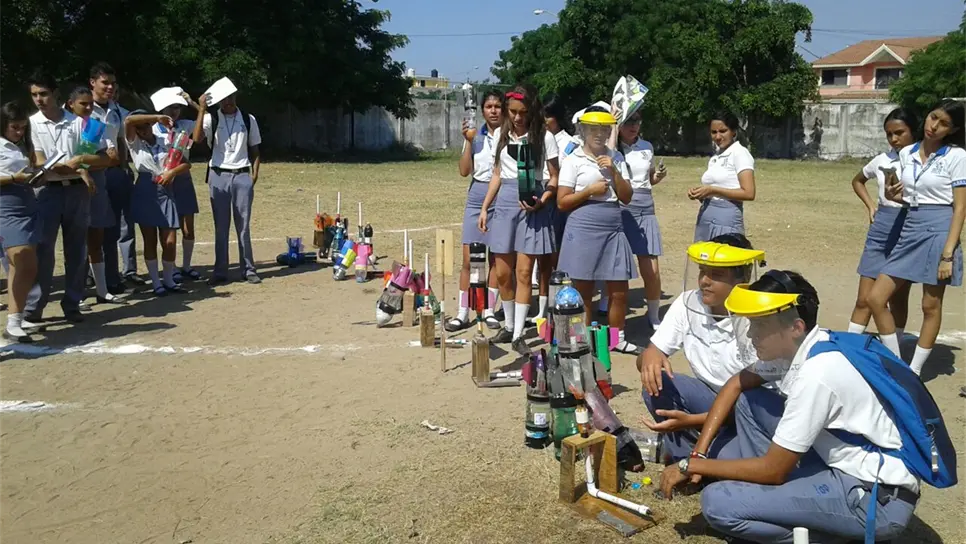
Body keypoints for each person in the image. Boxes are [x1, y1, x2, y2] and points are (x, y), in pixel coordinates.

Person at [660, 271, 920, 543]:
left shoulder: (817, 374)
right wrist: (700, 455)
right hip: (851, 471)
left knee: (717, 502)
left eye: (759, 326)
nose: (750, 335)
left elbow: (773, 469)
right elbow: (737, 383)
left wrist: (686, 465)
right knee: (751, 399)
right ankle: (776, 504)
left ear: (795, 327)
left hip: (876, 501)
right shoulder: (808, 346)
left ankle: (833, 536)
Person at [637, 234, 762, 462]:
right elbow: (649, 356)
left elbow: (759, 406)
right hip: (709, 399)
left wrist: (693, 421)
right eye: (702, 271)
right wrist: (650, 356)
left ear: (742, 278)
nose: (704, 281)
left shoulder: (757, 319)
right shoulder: (688, 302)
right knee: (657, 385)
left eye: (716, 275)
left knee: (727, 464)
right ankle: (683, 459)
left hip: (747, 413)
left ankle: (712, 452)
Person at [867, 99, 965, 375]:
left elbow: (960, 208)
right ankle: (896, 362)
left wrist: (948, 254)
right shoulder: (907, 152)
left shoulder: (957, 157)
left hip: (939, 229)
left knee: (930, 305)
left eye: (944, 123)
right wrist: (895, 194)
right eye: (934, 117)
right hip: (910, 225)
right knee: (877, 298)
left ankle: (915, 370)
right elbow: (905, 195)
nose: (934, 126)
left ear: (953, 129)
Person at [478, 84, 559, 355]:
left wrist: (544, 199)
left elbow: (554, 177)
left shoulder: (544, 138)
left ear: (531, 111)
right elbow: (497, 175)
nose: (516, 117)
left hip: (532, 204)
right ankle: (509, 323)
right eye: (512, 111)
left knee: (524, 272)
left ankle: (518, 333)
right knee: (502, 272)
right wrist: (484, 208)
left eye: (522, 112)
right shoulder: (502, 134)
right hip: (504, 204)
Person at [556, 109, 639, 354]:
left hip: (613, 224)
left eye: (604, 129)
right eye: (594, 129)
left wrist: (613, 172)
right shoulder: (573, 160)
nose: (599, 134)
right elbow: (562, 202)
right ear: (583, 131)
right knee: (583, 289)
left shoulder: (617, 157)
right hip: (582, 225)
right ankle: (581, 339)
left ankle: (617, 338)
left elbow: (627, 198)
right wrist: (589, 191)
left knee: (618, 288)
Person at [26, 72, 106, 324]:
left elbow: (102, 157)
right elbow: (37, 160)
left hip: (76, 192)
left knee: (77, 250)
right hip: (46, 192)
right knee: (43, 251)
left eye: (43, 94)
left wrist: (81, 162)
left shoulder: (80, 122)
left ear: (55, 93)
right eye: (34, 95)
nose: (39, 99)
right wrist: (70, 167)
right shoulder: (31, 123)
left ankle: (72, 304)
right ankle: (34, 308)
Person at [846, 108, 918, 339]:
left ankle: (894, 351)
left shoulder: (922, 161)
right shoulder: (882, 160)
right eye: (889, 134)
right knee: (864, 298)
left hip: (908, 228)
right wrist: (871, 206)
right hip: (881, 228)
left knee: (897, 298)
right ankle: (852, 349)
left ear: (913, 131)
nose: (894, 139)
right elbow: (858, 180)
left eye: (900, 132)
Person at [191, 84, 263, 285]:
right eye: (224, 98)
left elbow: (255, 149)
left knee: (244, 226)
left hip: (242, 175)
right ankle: (220, 271)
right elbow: (197, 139)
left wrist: (253, 176)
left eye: (231, 97)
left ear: (236, 96)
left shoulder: (248, 119)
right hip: (218, 175)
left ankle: (248, 269)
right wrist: (202, 108)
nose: (228, 102)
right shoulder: (211, 118)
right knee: (221, 227)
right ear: (219, 100)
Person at [447, 89, 504, 332]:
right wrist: (468, 141)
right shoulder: (475, 136)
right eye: (489, 106)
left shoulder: (509, 136)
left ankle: (489, 310)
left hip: (502, 197)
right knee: (469, 258)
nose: (493, 110)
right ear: (481, 111)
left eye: (497, 106)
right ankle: (463, 312)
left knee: (496, 259)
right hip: (477, 195)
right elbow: (463, 170)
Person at [65, 87, 124, 305]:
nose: (89, 108)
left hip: (97, 185)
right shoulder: (66, 127)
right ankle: (76, 293)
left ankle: (102, 290)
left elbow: (110, 158)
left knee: (96, 240)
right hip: (72, 187)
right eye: (83, 104)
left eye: (91, 104)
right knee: (76, 244)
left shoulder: (95, 126)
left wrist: (85, 161)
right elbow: (67, 161)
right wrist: (88, 162)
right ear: (71, 104)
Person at [124, 111, 187, 296]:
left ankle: (169, 280)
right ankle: (156, 283)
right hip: (145, 189)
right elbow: (128, 120)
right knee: (149, 239)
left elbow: (185, 163)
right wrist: (156, 117)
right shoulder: (134, 143)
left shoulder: (166, 140)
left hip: (166, 189)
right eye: (139, 127)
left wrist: (171, 173)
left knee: (170, 240)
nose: (142, 130)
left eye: (145, 126)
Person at [90, 61, 140, 291]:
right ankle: (87, 278)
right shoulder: (82, 107)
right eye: (105, 83)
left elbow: (122, 139)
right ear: (92, 83)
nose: (109, 87)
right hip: (90, 174)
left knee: (114, 228)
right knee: (89, 230)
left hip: (114, 173)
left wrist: (123, 166)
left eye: (112, 83)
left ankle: (113, 279)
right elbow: (79, 146)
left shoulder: (117, 110)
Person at [618, 109, 667, 328]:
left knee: (652, 269)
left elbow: (649, 179)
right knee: (617, 266)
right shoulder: (612, 148)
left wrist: (658, 177)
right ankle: (609, 307)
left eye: (637, 121)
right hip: (621, 208)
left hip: (646, 208)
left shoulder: (647, 147)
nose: (633, 126)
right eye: (628, 122)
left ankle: (654, 315)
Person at [0, 101, 42, 340]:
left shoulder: (19, 147)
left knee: (26, 265)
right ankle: (13, 321)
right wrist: (13, 177)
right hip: (6, 207)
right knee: (21, 258)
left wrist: (36, 176)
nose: (19, 132)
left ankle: (15, 319)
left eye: (23, 127)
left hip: (26, 204)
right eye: (14, 127)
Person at [153, 89, 203, 281]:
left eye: (178, 108)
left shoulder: (185, 126)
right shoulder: (154, 129)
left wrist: (192, 102)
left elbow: (204, 121)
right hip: (163, 180)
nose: (175, 111)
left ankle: (187, 266)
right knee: (167, 227)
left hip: (182, 177)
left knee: (188, 226)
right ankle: (171, 266)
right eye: (171, 107)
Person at [691, 112, 756, 242]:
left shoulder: (740, 153)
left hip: (727, 219)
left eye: (723, 131)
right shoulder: (716, 157)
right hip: (706, 216)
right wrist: (701, 193)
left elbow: (749, 193)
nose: (718, 136)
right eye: (714, 132)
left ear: (733, 132)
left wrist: (713, 190)